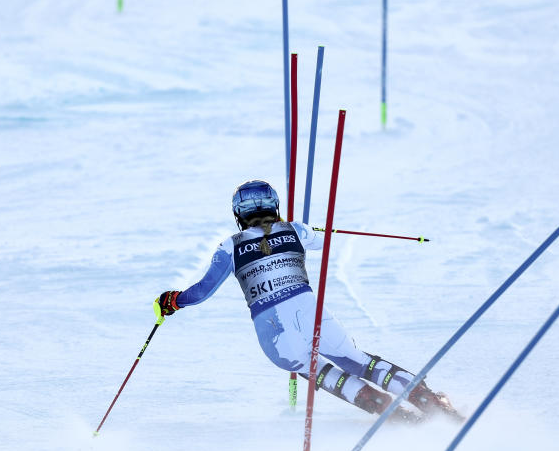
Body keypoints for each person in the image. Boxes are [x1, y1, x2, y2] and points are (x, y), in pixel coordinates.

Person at [155, 179, 462, 423]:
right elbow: (320, 240)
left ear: (238, 215)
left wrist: (173, 301)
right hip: (309, 311)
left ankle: (381, 407)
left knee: (316, 369)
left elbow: (202, 292)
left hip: (273, 335)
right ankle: (428, 401)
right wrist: (302, 231)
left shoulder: (229, 247)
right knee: (356, 360)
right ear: (275, 207)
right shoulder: (294, 229)